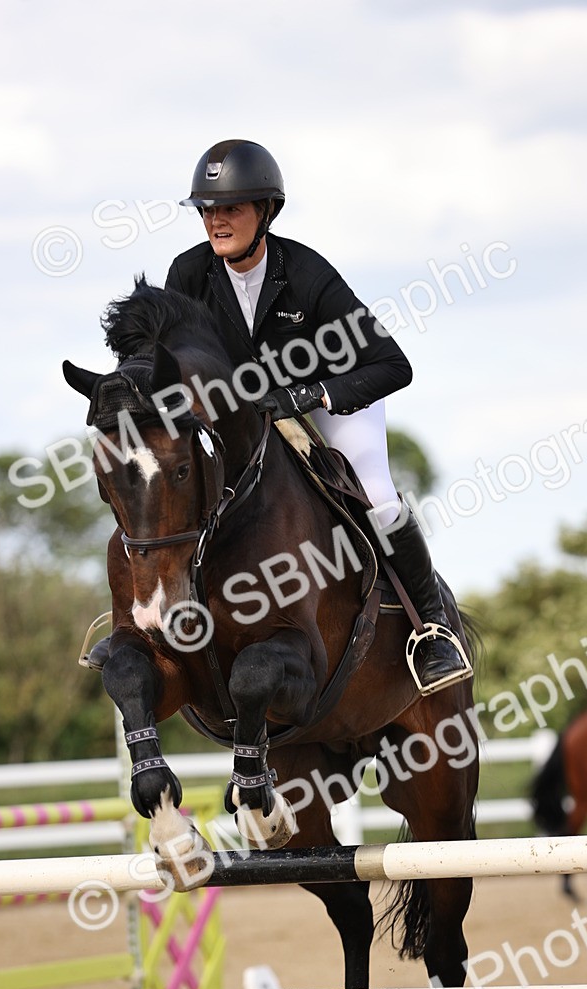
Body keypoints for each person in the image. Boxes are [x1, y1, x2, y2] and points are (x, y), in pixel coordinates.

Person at [162, 138, 469, 695]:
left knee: (375, 491)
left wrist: (312, 394)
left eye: (231, 207)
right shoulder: (188, 275)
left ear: (266, 212)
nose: (216, 220)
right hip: (240, 421)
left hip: (331, 407)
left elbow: (393, 365)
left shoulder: (307, 274)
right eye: (208, 209)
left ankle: (433, 631)